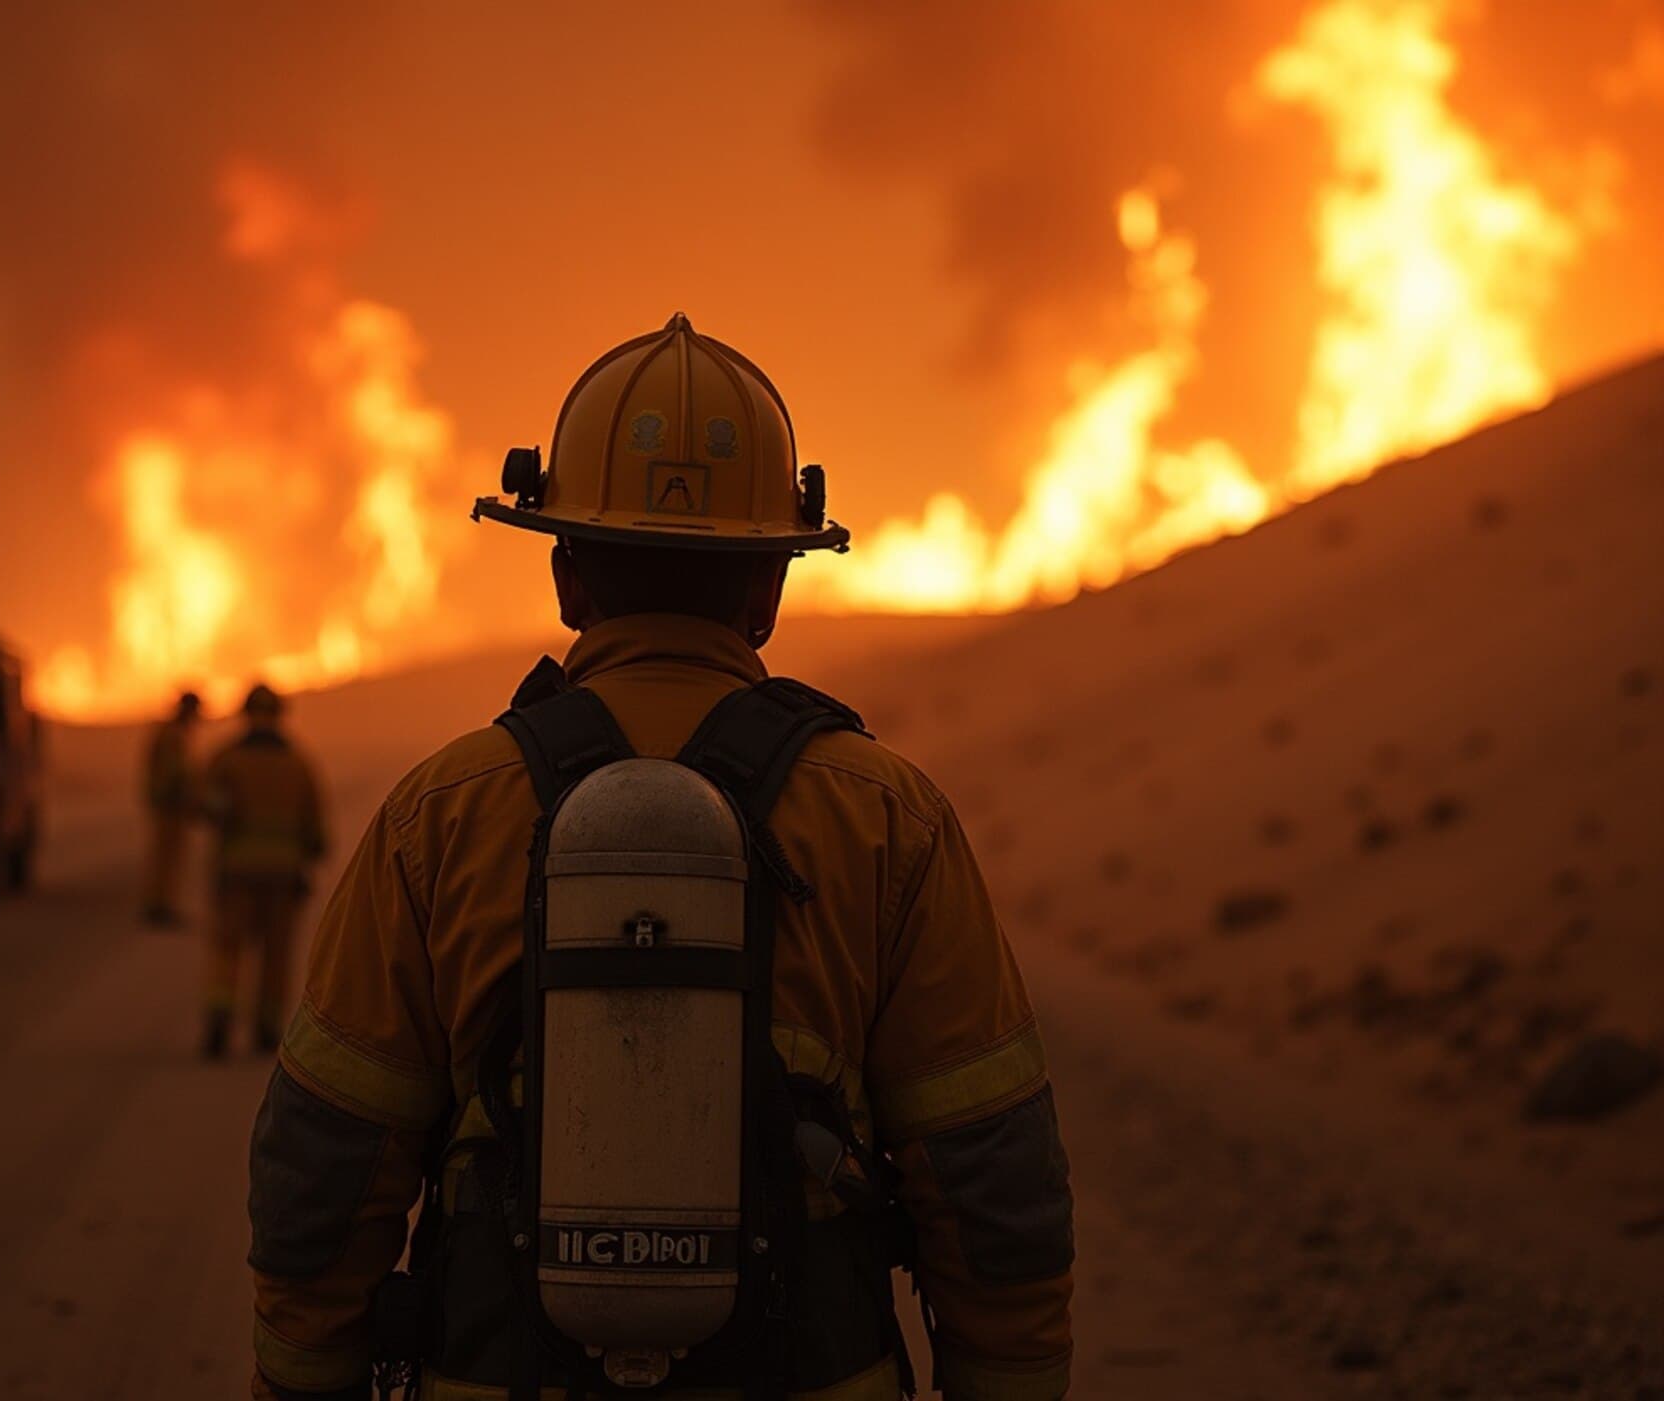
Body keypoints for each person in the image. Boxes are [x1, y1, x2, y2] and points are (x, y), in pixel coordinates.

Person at [245, 315, 1075, 1400]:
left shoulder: (439, 818)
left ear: (565, 578)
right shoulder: (890, 822)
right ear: (768, 590)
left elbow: (322, 1177)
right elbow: (993, 1189)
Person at [201, 684, 327, 1060]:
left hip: (236, 872)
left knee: (228, 948)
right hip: (284, 877)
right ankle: (266, 1029)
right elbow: (316, 832)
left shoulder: (226, 759)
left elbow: (207, 807)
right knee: (277, 955)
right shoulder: (299, 763)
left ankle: (220, 1017)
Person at [142, 689, 202, 927]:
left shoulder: (174, 732)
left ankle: (162, 903)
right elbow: (175, 773)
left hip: (170, 803)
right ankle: (159, 906)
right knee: (167, 856)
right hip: (170, 805)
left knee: (167, 856)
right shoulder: (174, 735)